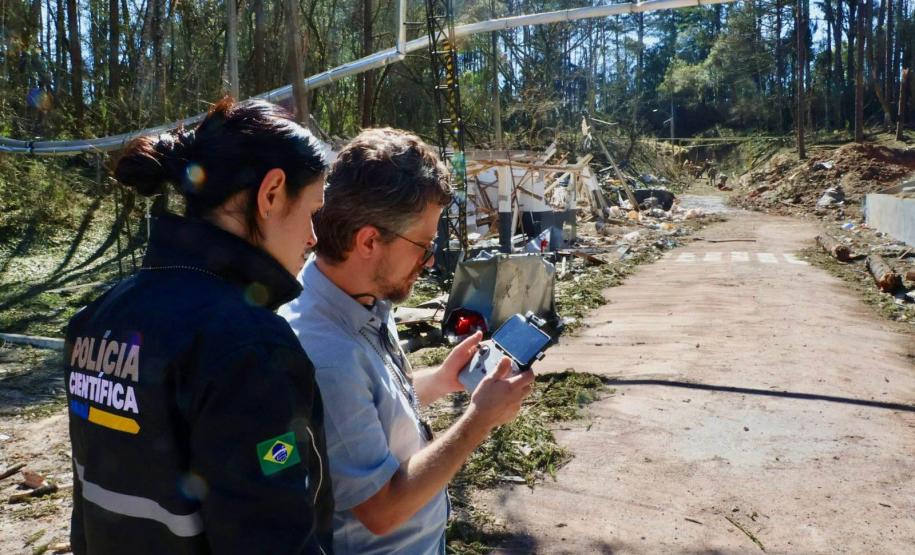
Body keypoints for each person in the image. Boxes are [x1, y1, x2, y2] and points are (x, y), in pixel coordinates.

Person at [64, 98, 333, 554]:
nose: (313, 237)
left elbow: (88, 512)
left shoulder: (97, 319)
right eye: (311, 211)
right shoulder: (250, 347)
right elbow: (272, 538)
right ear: (271, 193)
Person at [279, 128, 534, 554]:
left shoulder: (363, 295)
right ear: (369, 241)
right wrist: (478, 421)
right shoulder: (328, 354)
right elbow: (381, 510)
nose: (429, 260)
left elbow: (369, 410)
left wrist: (442, 380)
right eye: (423, 245)